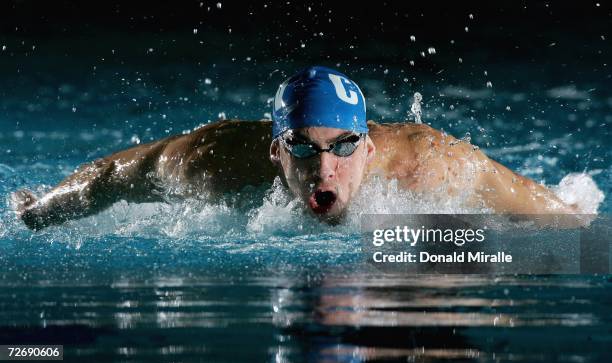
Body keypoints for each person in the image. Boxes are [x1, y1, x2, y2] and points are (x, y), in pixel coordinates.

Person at [12, 66, 579, 231]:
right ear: (274, 152)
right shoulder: (211, 163)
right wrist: (41, 212)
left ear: (371, 151)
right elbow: (113, 175)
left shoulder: (429, 164)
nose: (324, 168)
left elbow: (562, 220)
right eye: (303, 150)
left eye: (344, 147)